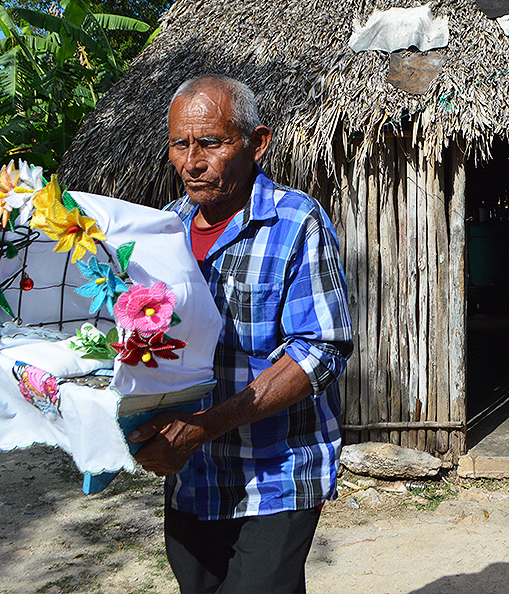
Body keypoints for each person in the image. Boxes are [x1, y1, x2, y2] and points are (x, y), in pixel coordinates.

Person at [127, 75, 353, 594]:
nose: (192, 161)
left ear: (257, 143)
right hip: (191, 477)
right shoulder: (161, 230)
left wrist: (205, 424)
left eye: (210, 142)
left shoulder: (296, 223)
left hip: (274, 474)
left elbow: (321, 350)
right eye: (180, 144)